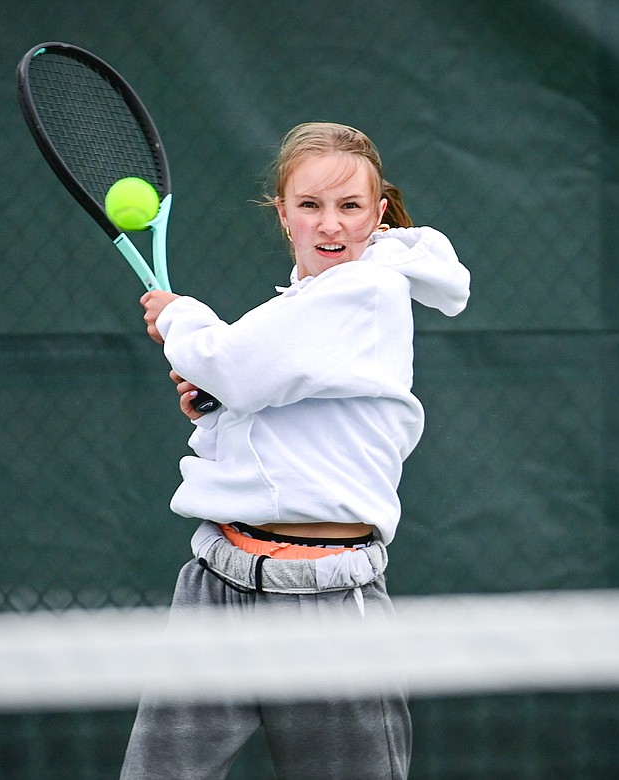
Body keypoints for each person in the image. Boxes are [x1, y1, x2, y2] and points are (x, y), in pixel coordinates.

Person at [119, 122, 470, 780]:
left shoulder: (368, 289)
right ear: (282, 214)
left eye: (350, 206)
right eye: (309, 205)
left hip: (326, 603)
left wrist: (179, 319)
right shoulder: (301, 303)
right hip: (217, 582)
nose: (329, 225)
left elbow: (238, 365)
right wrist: (215, 403)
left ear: (380, 213)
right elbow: (261, 394)